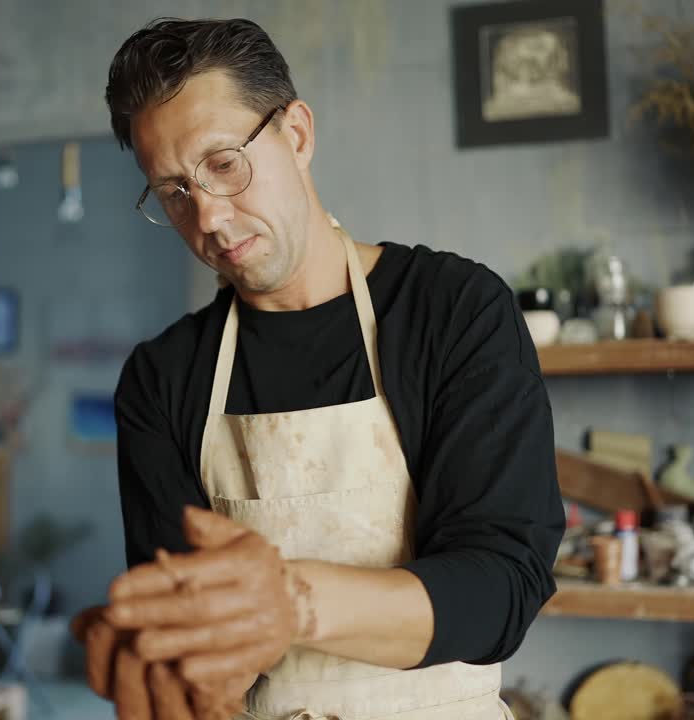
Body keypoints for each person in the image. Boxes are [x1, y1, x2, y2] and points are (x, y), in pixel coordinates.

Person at [71, 17, 564, 720]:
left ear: (296, 135)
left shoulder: (452, 311)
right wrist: (162, 668)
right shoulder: (163, 379)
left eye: (223, 164)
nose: (207, 216)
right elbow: (186, 636)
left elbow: (501, 588)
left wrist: (295, 601)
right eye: (175, 190)